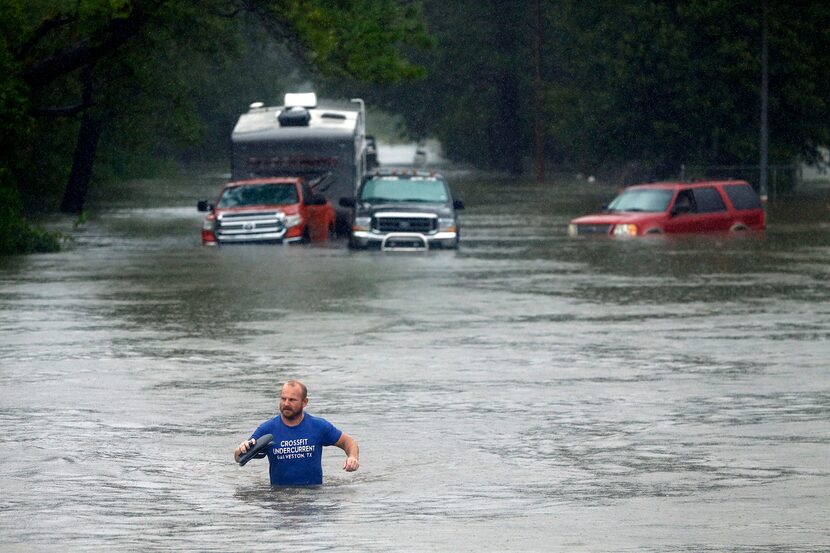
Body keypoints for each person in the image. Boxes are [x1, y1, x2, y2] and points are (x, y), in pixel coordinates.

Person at [234, 380, 359, 486]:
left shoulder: (318, 426)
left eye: (292, 400)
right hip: (279, 499)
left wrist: (352, 457)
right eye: (283, 399)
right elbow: (239, 457)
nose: (286, 403)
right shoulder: (268, 429)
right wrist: (240, 449)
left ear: (305, 402)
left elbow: (348, 442)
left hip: (313, 497)